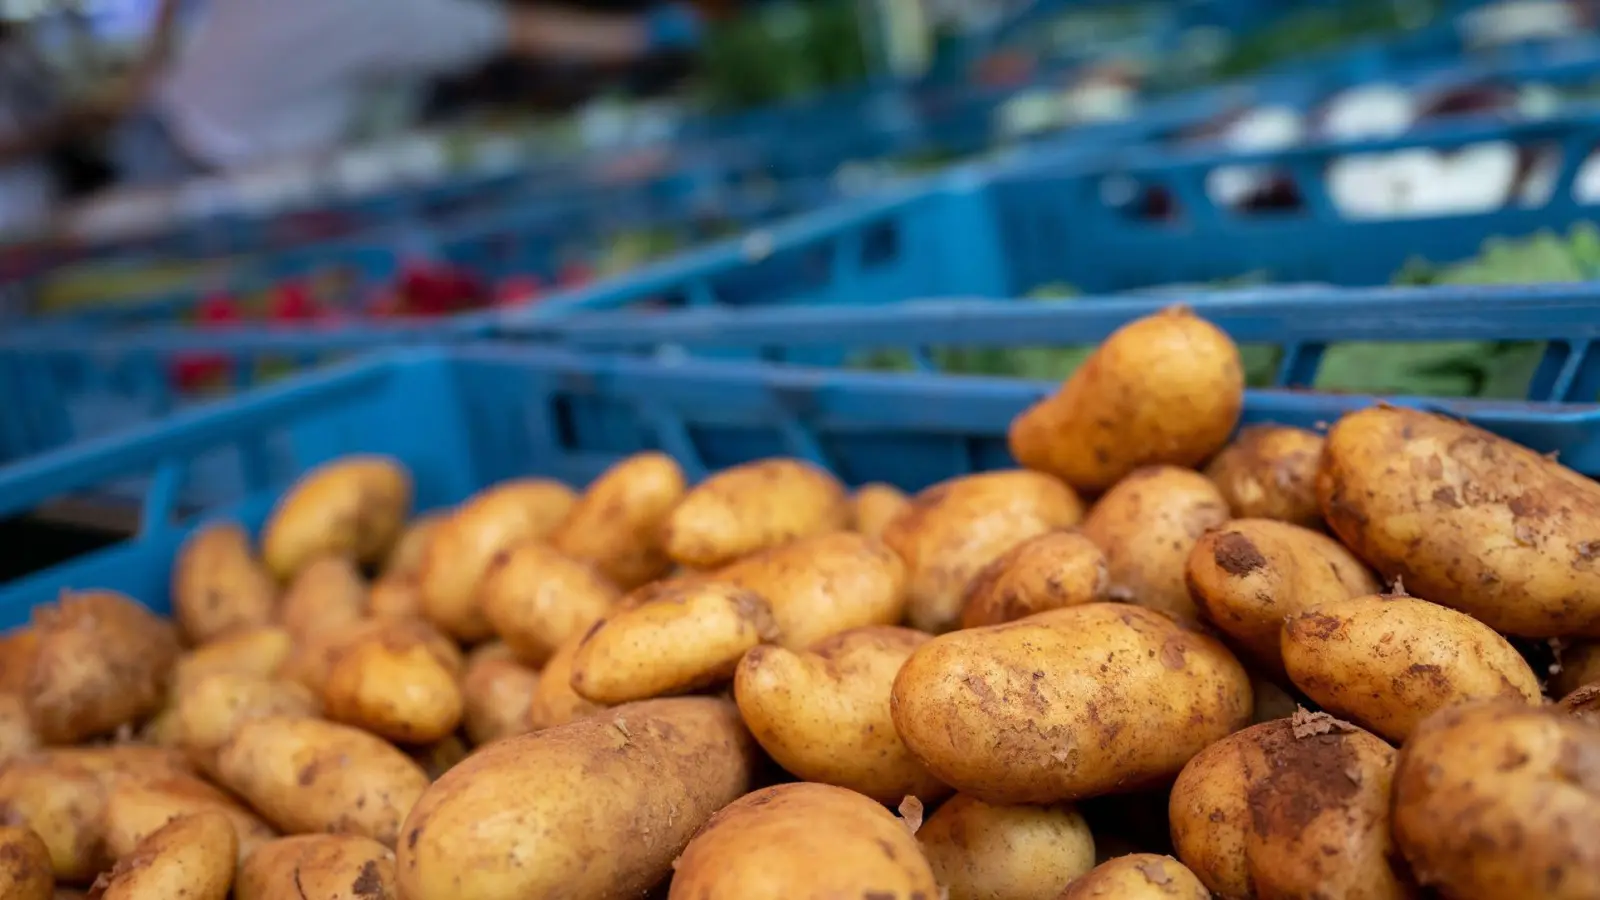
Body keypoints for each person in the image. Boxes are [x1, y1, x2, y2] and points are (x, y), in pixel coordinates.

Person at [113, 0, 702, 184]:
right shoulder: (385, 8)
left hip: (171, 121)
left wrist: (150, 59)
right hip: (207, 170)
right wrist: (649, 34)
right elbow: (518, 32)